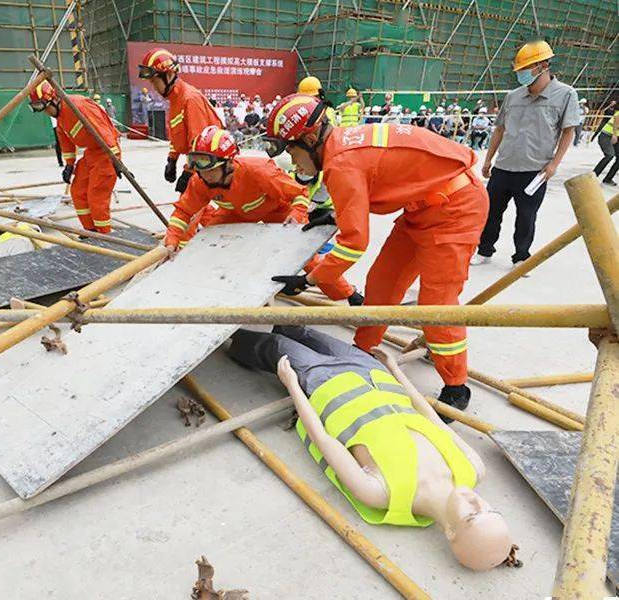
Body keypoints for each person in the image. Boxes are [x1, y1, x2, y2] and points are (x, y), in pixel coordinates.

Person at [264, 93, 489, 410]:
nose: (291, 156)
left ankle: (456, 386)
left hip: (456, 208)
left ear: (311, 138)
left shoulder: (340, 163)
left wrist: (311, 279)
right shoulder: (341, 147)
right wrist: (339, 213)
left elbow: (354, 244)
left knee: (436, 305)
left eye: (290, 146)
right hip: (422, 207)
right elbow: (380, 178)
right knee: (383, 281)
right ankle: (363, 350)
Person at [226, 326, 515, 571]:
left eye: (472, 516)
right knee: (301, 331)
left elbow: (324, 440)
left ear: (450, 532)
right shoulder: (473, 468)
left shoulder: (383, 494)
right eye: (491, 510)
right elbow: (430, 416)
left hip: (326, 384)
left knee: (275, 345)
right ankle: (276, 325)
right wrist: (394, 370)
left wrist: (293, 386)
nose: (478, 502)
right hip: (375, 375)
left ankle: (228, 340)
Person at [472, 40, 581, 267]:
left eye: (525, 68)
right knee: (490, 213)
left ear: (542, 65)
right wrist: (489, 159)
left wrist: (554, 165)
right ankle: (484, 250)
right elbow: (500, 129)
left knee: (526, 218)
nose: (521, 74)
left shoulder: (565, 95)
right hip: (503, 167)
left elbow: (568, 132)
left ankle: (521, 257)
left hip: (534, 170)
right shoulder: (513, 96)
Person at [162, 125, 313, 255]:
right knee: (209, 243)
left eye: (210, 169)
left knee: (304, 255)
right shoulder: (200, 180)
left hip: (276, 211)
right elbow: (183, 211)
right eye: (198, 168)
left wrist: (297, 213)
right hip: (234, 214)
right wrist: (172, 239)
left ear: (228, 164)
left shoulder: (260, 171)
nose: (203, 175)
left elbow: (300, 192)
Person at [29, 81, 120, 233]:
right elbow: (65, 141)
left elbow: (105, 132)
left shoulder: (79, 106)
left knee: (96, 197)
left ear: (54, 100)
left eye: (45, 108)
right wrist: (69, 164)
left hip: (106, 152)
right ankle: (90, 231)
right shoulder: (61, 117)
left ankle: (105, 235)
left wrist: (115, 158)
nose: (45, 113)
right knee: (78, 191)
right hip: (91, 153)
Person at [138, 47, 222, 194]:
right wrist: (172, 159)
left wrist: (189, 172)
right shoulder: (175, 99)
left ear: (169, 74)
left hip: (208, 166)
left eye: (154, 81)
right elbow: (177, 134)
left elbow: (199, 145)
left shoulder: (190, 99)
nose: (153, 87)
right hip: (200, 164)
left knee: (191, 210)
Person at [593, 108, 618, 185]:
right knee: (609, 155)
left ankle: (608, 179)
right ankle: (593, 176)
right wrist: (614, 135)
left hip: (616, 138)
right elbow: (616, 121)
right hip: (606, 136)